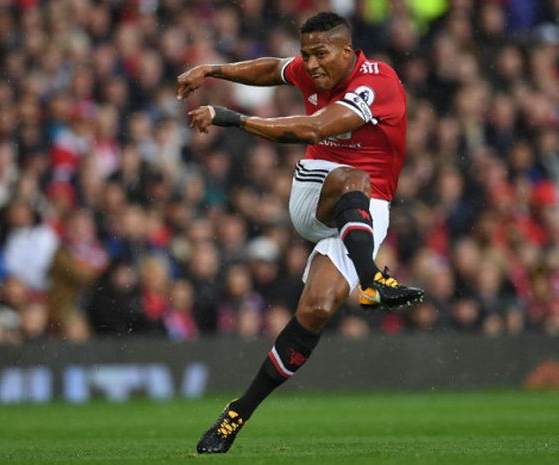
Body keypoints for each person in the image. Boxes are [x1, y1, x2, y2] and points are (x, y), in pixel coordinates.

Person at [177, 12, 424, 454]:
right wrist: (214, 76)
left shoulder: (377, 82)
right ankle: (373, 281)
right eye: (306, 54)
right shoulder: (314, 70)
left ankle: (236, 414)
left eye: (320, 54)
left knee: (318, 308)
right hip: (318, 190)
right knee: (353, 179)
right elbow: (275, 71)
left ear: (347, 51)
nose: (309, 64)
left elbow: (308, 117)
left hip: (369, 211)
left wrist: (229, 111)